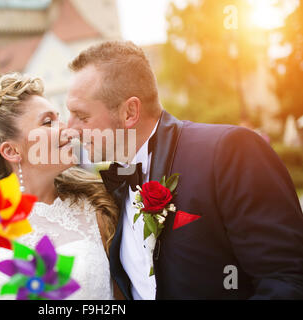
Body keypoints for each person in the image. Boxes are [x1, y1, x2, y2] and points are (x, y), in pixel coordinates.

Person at [66, 40, 303, 299]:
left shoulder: (229, 152)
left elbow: (286, 278)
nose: (70, 129)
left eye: (82, 116)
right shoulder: (110, 191)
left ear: (129, 112)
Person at [0, 73, 118, 300]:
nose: (67, 129)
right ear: (11, 151)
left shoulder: (98, 207)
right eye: (47, 122)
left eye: (59, 118)